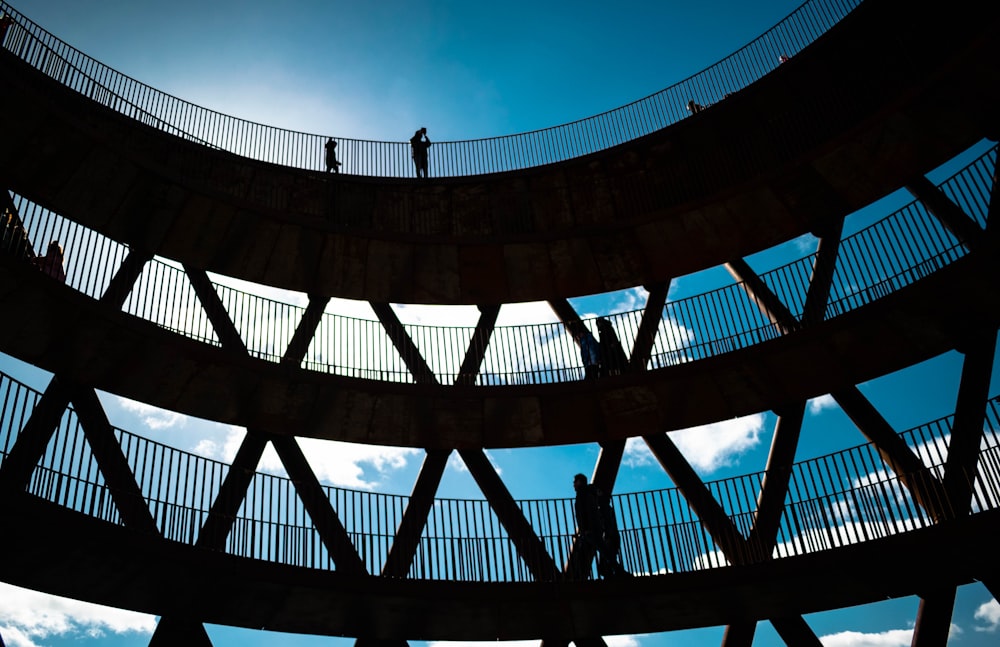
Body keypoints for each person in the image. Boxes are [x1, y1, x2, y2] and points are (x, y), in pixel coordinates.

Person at [573, 473, 626, 579]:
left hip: (590, 530)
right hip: (592, 530)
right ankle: (615, 571)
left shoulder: (583, 495)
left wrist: (586, 529)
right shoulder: (588, 494)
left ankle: (617, 571)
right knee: (602, 551)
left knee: (601, 551)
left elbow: (587, 513)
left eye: (575, 482)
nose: (573, 484)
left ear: (579, 482)